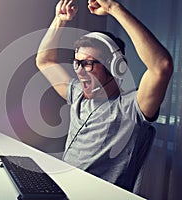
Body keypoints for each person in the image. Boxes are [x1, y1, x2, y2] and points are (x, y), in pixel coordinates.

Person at [36, 0, 173, 193]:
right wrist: (59, 20)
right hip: (62, 189)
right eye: (77, 63)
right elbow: (44, 61)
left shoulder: (131, 108)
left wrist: (113, 9)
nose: (79, 71)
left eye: (88, 64)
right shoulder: (77, 95)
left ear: (115, 67)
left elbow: (162, 67)